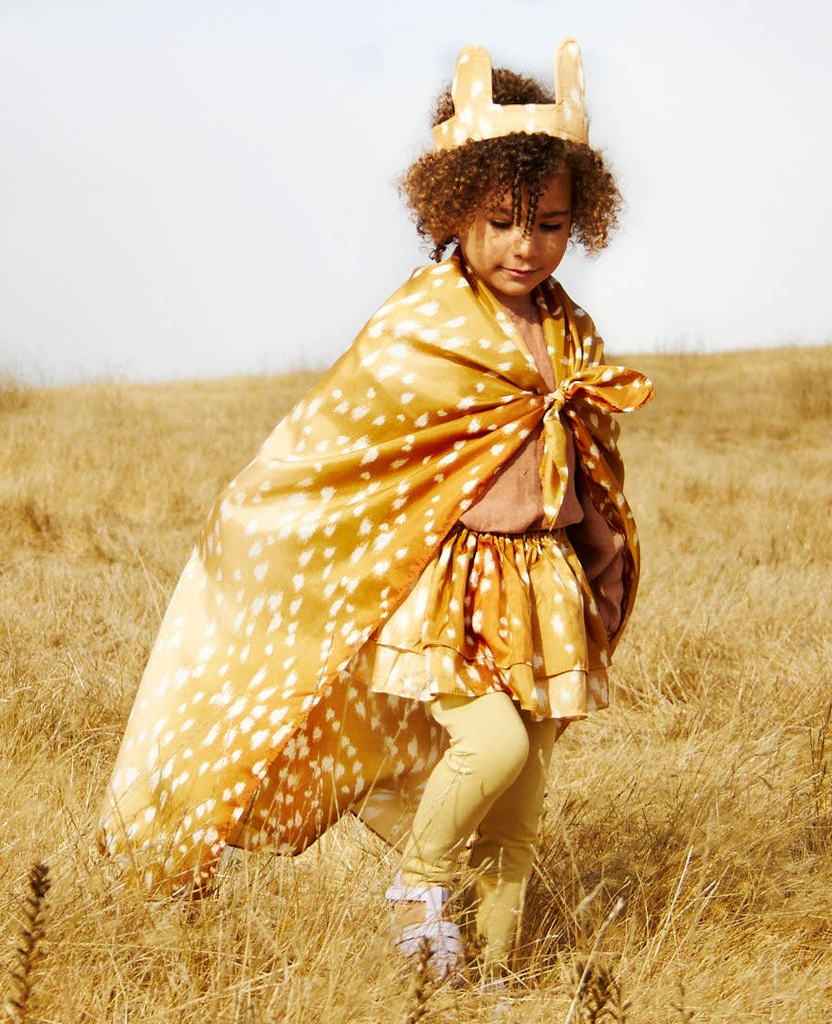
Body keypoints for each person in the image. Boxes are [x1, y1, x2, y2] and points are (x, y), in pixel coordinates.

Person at [99, 38, 653, 985]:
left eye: (552, 223)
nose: (529, 245)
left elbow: (586, 465)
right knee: (491, 742)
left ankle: (476, 986)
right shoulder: (425, 323)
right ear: (454, 208)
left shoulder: (569, 328)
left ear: (580, 219)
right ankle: (419, 883)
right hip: (457, 587)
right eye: (505, 221)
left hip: (544, 586)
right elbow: (338, 451)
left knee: (522, 806)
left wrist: (600, 565)